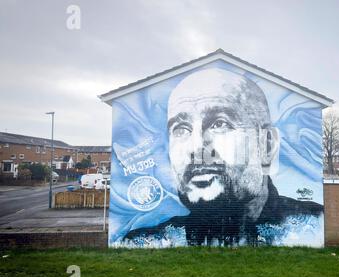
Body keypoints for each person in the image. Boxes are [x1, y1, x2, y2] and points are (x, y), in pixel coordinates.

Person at [125, 68, 323, 245]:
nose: (196, 147)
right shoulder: (146, 242)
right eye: (182, 129)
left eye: (219, 124)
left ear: (267, 145)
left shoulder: (314, 223)